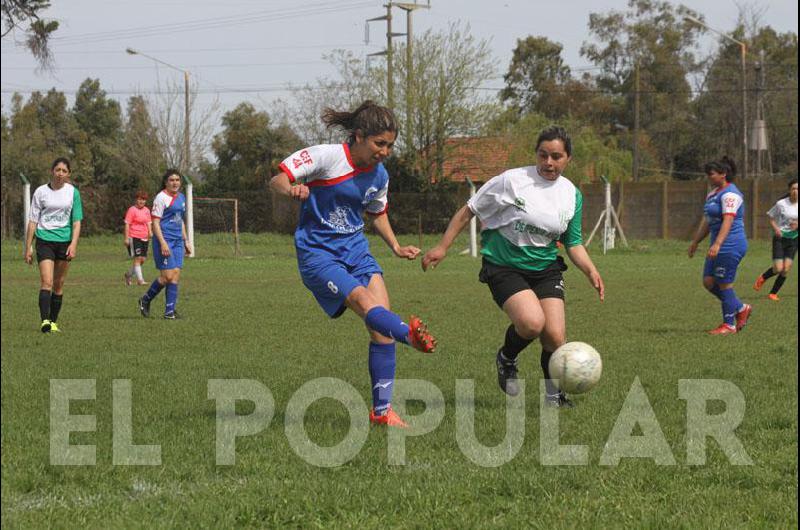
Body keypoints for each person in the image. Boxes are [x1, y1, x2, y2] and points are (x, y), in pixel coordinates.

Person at [269, 100, 437, 428]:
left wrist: (396, 246)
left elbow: (377, 212)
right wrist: (292, 189)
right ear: (359, 136)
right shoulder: (327, 157)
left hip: (356, 252)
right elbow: (277, 179)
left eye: (390, 145)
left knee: (381, 328)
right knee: (365, 303)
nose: (385, 151)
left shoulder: (380, 174)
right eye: (380, 143)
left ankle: (382, 412)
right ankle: (410, 335)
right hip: (319, 255)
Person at [422, 125, 604, 408]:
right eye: (543, 155)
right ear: (536, 154)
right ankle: (507, 358)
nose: (548, 163)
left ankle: (554, 397)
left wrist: (591, 271)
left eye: (556, 156)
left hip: (545, 268)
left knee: (555, 336)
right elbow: (469, 209)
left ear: (568, 158)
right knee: (532, 324)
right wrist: (442, 246)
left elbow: (574, 242)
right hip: (504, 266)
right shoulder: (512, 181)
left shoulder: (571, 195)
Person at [688, 156, 752, 335]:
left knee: (724, 284)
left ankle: (729, 324)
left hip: (730, 244)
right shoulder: (712, 194)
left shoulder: (731, 194)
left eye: (711, 174)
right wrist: (695, 242)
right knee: (708, 282)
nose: (708, 177)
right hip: (717, 245)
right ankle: (740, 308)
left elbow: (728, 220)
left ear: (723, 174)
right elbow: (708, 221)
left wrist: (717, 243)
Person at [24, 157, 83, 333]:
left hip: (64, 242)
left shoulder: (73, 193)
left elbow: (77, 222)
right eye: (58, 170)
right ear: (52, 171)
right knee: (47, 281)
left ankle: (53, 321)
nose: (60, 174)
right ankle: (44, 322)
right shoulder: (40, 192)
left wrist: (73, 244)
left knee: (58, 285)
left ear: (68, 174)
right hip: (44, 240)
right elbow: (33, 221)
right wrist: (28, 246)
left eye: (64, 171)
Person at [138, 169, 192, 319]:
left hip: (177, 241)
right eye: (171, 180)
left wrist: (185, 240)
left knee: (175, 275)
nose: (175, 183)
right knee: (166, 276)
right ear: (166, 182)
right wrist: (162, 243)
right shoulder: (161, 198)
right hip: (165, 240)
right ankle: (145, 299)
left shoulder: (181, 197)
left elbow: (179, 220)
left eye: (177, 180)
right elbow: (155, 222)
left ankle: (169, 312)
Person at [753, 178, 798, 300]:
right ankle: (763, 277)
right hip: (780, 239)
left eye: (797, 189)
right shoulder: (781, 204)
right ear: (789, 190)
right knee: (778, 268)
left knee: (786, 269)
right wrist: (777, 229)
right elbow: (771, 218)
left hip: (794, 240)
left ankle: (773, 293)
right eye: (793, 188)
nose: (796, 191)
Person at [124, 190, 153, 286]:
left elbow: (148, 222)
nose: (142, 201)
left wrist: (150, 232)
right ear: (136, 200)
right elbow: (127, 224)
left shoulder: (147, 210)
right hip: (134, 237)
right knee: (137, 258)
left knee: (142, 260)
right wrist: (126, 238)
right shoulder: (132, 210)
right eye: (140, 199)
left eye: (144, 200)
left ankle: (128, 274)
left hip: (144, 237)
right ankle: (140, 280)